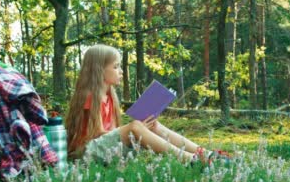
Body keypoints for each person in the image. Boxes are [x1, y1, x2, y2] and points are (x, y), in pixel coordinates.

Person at [65, 44, 227, 163]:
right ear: (99, 70)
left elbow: (112, 132)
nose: (121, 71)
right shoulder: (90, 97)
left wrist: (141, 127)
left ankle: (205, 154)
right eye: (115, 67)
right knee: (135, 126)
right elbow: (97, 134)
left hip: (105, 148)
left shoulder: (109, 97)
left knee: (153, 124)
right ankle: (191, 160)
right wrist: (133, 129)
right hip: (86, 154)